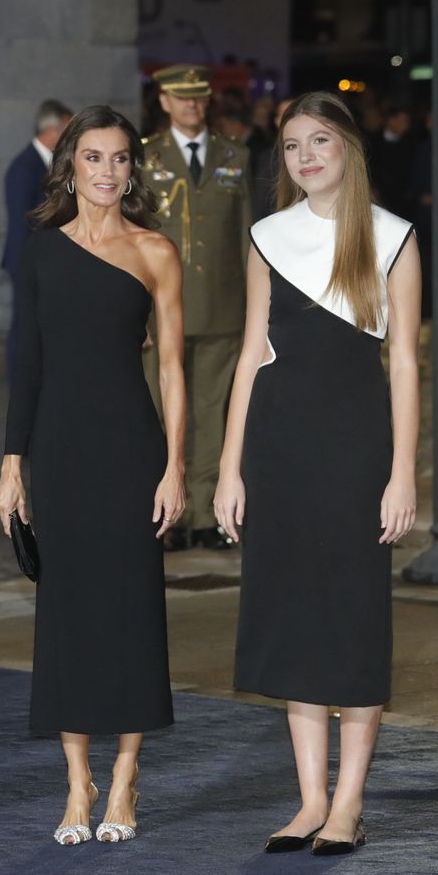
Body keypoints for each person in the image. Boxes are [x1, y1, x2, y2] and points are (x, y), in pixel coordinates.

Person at [214, 91, 419, 857]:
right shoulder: (267, 236)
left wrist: (403, 473)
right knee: (295, 621)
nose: (304, 156)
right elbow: (249, 356)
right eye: (293, 145)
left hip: (358, 451)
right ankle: (309, 802)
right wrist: (228, 469)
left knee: (353, 621)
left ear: (348, 149)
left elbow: (404, 363)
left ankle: (349, 803)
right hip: (278, 450)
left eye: (320, 141)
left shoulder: (393, 237)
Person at [0, 105, 186, 847]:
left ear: (133, 170)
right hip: (60, 450)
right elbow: (27, 364)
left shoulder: (155, 250)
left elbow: (172, 369)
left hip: (131, 448)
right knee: (66, 614)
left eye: (120, 158)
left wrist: (175, 466)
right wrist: (12, 467)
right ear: (70, 166)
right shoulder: (42, 251)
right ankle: (78, 783)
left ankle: (126, 776)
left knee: (133, 610)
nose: (108, 171)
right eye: (94, 157)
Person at [140, 64, 252, 551]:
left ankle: (205, 515)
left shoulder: (235, 155)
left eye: (200, 97)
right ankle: (167, 515)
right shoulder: (145, 157)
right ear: (164, 101)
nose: (192, 105)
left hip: (223, 307)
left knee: (213, 412)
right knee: (162, 413)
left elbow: (246, 236)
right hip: (161, 309)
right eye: (182, 97)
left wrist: (255, 307)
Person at [1, 99, 73, 385]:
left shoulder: (48, 163)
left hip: (43, 262)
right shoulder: (25, 167)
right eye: (68, 129)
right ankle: (19, 383)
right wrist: (27, 267)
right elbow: (22, 223)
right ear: (54, 130)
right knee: (24, 327)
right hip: (28, 261)